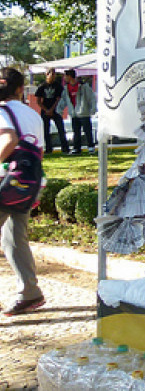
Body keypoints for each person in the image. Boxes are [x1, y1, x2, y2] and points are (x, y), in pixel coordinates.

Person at [0, 67, 46, 315]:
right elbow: (39, 150)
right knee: (14, 238)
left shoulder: (2, 111)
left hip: (5, 181)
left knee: (14, 238)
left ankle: (29, 293)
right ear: (20, 89)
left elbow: (9, 139)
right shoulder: (33, 114)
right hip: (28, 182)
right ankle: (30, 293)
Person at [35, 68, 69, 155]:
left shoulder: (58, 86)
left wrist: (52, 109)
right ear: (47, 74)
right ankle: (48, 149)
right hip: (45, 110)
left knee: (61, 129)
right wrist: (46, 110)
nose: (53, 76)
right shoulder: (42, 86)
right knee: (46, 130)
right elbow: (38, 100)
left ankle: (65, 148)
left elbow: (59, 99)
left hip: (56, 110)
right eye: (51, 74)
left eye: (54, 74)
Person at [62, 69, 96, 154]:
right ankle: (77, 148)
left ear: (70, 76)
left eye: (65, 76)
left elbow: (91, 97)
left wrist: (93, 108)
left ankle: (91, 146)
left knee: (87, 130)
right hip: (74, 113)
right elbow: (64, 100)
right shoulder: (66, 88)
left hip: (84, 112)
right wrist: (60, 109)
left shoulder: (83, 86)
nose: (64, 78)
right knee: (76, 131)